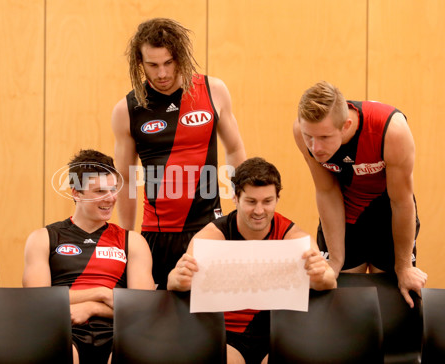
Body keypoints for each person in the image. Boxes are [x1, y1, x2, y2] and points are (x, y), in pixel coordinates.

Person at [111, 17, 246, 289]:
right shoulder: (127, 109)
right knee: (158, 320)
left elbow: (234, 150)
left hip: (210, 228)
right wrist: (127, 239)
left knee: (213, 319)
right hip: (157, 235)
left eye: (169, 63)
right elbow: (126, 180)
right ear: (140, 64)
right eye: (153, 65)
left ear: (180, 57)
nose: (162, 73)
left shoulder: (214, 91)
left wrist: (241, 210)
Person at [168, 157, 336, 364]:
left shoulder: (293, 237)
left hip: (278, 332)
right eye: (251, 202)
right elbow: (175, 281)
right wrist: (179, 278)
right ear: (235, 198)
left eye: (267, 201)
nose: (259, 211)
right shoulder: (212, 236)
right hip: (226, 337)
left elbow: (329, 280)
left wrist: (320, 276)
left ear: (277, 198)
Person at [293, 80, 427, 307]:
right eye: (309, 137)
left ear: (345, 125)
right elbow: (326, 191)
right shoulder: (301, 131)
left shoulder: (391, 130)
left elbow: (401, 202)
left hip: (388, 212)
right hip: (345, 211)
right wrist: (335, 260)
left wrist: (404, 266)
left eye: (324, 137)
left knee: (393, 297)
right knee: (339, 297)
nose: (315, 148)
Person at [22, 149, 155, 364]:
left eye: (113, 190)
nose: (111, 198)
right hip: (62, 327)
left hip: (119, 330)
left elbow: (143, 307)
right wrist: (103, 293)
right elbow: (38, 303)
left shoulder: (132, 241)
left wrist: (92, 307)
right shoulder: (44, 238)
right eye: (100, 191)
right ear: (76, 193)